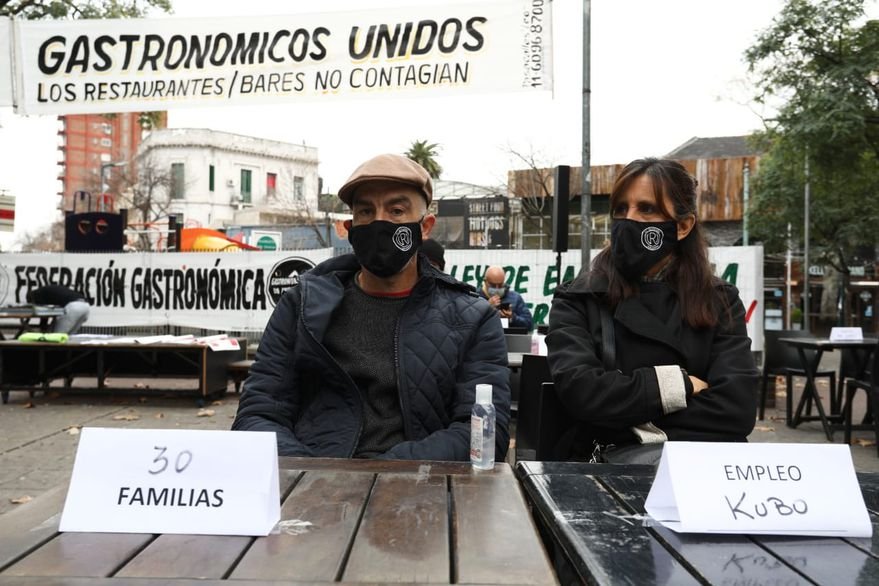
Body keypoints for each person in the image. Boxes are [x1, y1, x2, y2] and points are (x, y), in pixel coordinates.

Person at [233, 153, 511, 461]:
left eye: (396, 210)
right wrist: (313, 474)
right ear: (350, 227)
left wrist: (384, 474)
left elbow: (484, 432)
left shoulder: (472, 319)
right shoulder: (301, 306)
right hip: (315, 480)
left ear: (425, 226)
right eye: (366, 211)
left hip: (418, 484)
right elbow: (257, 414)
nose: (379, 222)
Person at [546, 158, 758, 464]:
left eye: (646, 209)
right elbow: (582, 392)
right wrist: (680, 385)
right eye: (621, 209)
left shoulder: (719, 300)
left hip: (702, 471)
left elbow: (736, 408)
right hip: (607, 474)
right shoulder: (579, 297)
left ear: (682, 226)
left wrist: (629, 420)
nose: (628, 220)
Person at [480, 265, 533, 331]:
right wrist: (487, 308)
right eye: (493, 285)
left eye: (500, 285)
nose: (497, 288)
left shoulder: (515, 298)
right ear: (485, 281)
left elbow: (529, 324)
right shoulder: (476, 297)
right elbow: (470, 324)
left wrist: (512, 317)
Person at [25, 285, 90, 334]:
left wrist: (42, 329)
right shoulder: (45, 291)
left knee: (55, 335)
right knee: (70, 335)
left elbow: (43, 314)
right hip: (85, 306)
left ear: (31, 298)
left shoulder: (37, 295)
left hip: (74, 307)